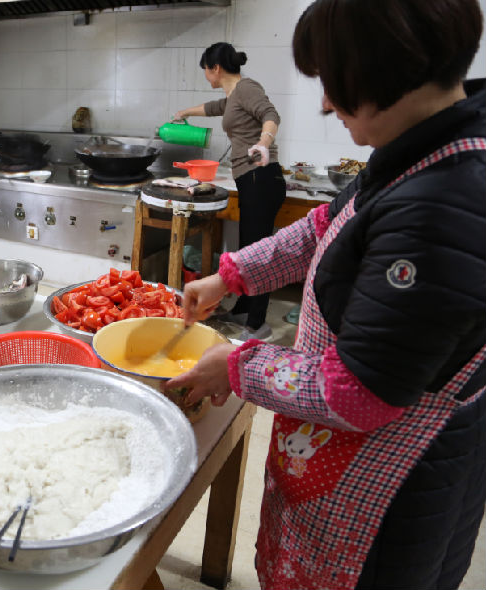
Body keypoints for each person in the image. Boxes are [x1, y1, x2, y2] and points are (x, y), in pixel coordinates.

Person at [162, 1, 486, 588]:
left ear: (382, 69)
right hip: (330, 455)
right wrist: (230, 275)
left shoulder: (445, 202)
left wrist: (236, 366)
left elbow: (359, 392)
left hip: (386, 489)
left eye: (333, 81)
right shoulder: (413, 149)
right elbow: (320, 230)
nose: (325, 103)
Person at [174, 42, 286, 341]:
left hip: (261, 177)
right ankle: (243, 308)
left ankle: (257, 325)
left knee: (259, 254)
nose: (206, 76)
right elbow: (213, 108)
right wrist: (184, 112)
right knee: (249, 250)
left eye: (205, 71)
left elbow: (271, 114)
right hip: (251, 179)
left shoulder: (247, 88)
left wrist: (263, 142)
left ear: (216, 68)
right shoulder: (233, 96)